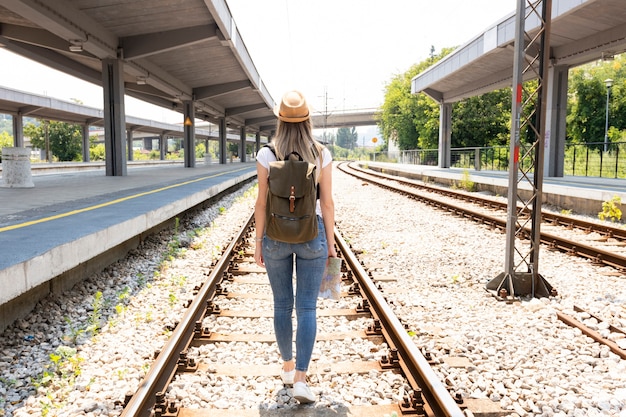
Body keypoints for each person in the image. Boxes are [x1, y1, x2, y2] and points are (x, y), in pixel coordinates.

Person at [254, 90, 336, 404]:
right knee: (306, 308)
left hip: (275, 235)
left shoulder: (266, 154)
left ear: (280, 120)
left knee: (281, 305)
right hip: (311, 234)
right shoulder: (321, 153)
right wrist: (329, 243)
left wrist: (259, 240)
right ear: (307, 120)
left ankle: (287, 367)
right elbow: (326, 203)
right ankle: (302, 379)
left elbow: (261, 203)